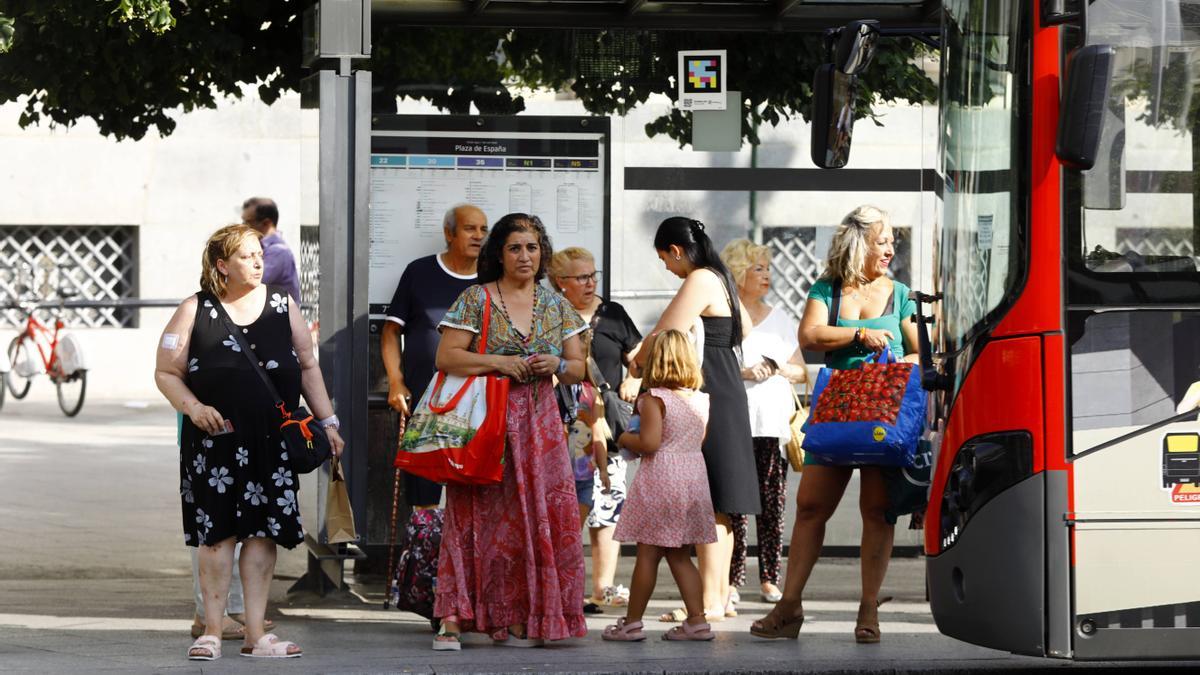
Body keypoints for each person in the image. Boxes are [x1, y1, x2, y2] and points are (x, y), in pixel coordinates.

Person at [155, 224, 345, 660]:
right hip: (214, 441)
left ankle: (256, 634)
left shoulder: (283, 305)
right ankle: (212, 631)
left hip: (270, 440)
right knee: (216, 537)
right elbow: (166, 371)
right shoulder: (194, 309)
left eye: (259, 253)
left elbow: (308, 366)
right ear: (222, 265)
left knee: (261, 536)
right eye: (246, 256)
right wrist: (192, 407)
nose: (258, 261)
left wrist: (328, 421)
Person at [750, 205, 918, 644]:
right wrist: (860, 336)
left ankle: (868, 608)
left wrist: (900, 365)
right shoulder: (827, 287)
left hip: (883, 412)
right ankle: (788, 607)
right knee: (809, 507)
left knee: (878, 513)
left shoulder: (900, 293)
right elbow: (810, 336)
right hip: (838, 408)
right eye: (883, 241)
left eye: (891, 242)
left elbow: (922, 351)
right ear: (859, 242)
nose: (890, 249)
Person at [431, 213, 589, 651]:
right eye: (516, 247)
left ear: (543, 253)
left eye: (533, 247)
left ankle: (522, 615)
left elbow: (579, 367)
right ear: (499, 253)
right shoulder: (475, 298)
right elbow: (447, 357)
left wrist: (557, 364)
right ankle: (452, 617)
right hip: (485, 421)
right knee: (470, 515)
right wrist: (500, 363)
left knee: (531, 519)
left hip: (540, 428)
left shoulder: (556, 303)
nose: (525, 256)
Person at [632, 216, 759, 622]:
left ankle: (708, 602)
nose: (668, 269)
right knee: (721, 504)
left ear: (676, 251)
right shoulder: (720, 277)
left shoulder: (701, 278)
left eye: (664, 259)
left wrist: (636, 365)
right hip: (726, 385)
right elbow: (747, 326)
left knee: (713, 503)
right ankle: (716, 599)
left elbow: (665, 331)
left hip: (710, 388)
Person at [602, 330, 715, 642]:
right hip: (692, 477)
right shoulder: (700, 399)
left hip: (662, 479)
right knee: (680, 556)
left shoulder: (655, 400)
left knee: (648, 555)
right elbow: (697, 440)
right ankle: (697, 620)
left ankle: (632, 623)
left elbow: (649, 443)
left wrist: (624, 437)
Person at [548, 247, 642, 613]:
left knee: (607, 502)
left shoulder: (613, 314)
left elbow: (637, 359)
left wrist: (637, 379)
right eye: (581, 278)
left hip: (603, 420)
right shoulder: (550, 314)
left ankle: (601, 587)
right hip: (560, 423)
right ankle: (562, 586)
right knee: (568, 507)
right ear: (561, 283)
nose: (590, 283)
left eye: (593, 275)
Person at [382, 203, 487, 510]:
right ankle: (428, 555)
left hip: (477, 404)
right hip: (427, 400)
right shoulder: (420, 271)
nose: (479, 236)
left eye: (484, 229)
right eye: (470, 228)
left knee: (471, 495)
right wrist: (395, 381)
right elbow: (391, 332)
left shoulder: (493, 279)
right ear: (449, 233)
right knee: (425, 498)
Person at [720, 239, 808, 605]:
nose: (767, 275)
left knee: (773, 504)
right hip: (734, 421)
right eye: (758, 268)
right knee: (734, 504)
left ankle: (770, 578)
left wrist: (778, 368)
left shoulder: (781, 316)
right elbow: (707, 367)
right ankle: (732, 579)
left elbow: (801, 370)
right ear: (739, 272)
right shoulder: (722, 315)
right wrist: (743, 370)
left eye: (768, 268)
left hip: (771, 422)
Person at [242, 197, 300, 303]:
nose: (243, 227)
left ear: (266, 223)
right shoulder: (262, 248)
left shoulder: (278, 252)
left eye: (248, 222)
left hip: (280, 318)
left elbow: (248, 284)